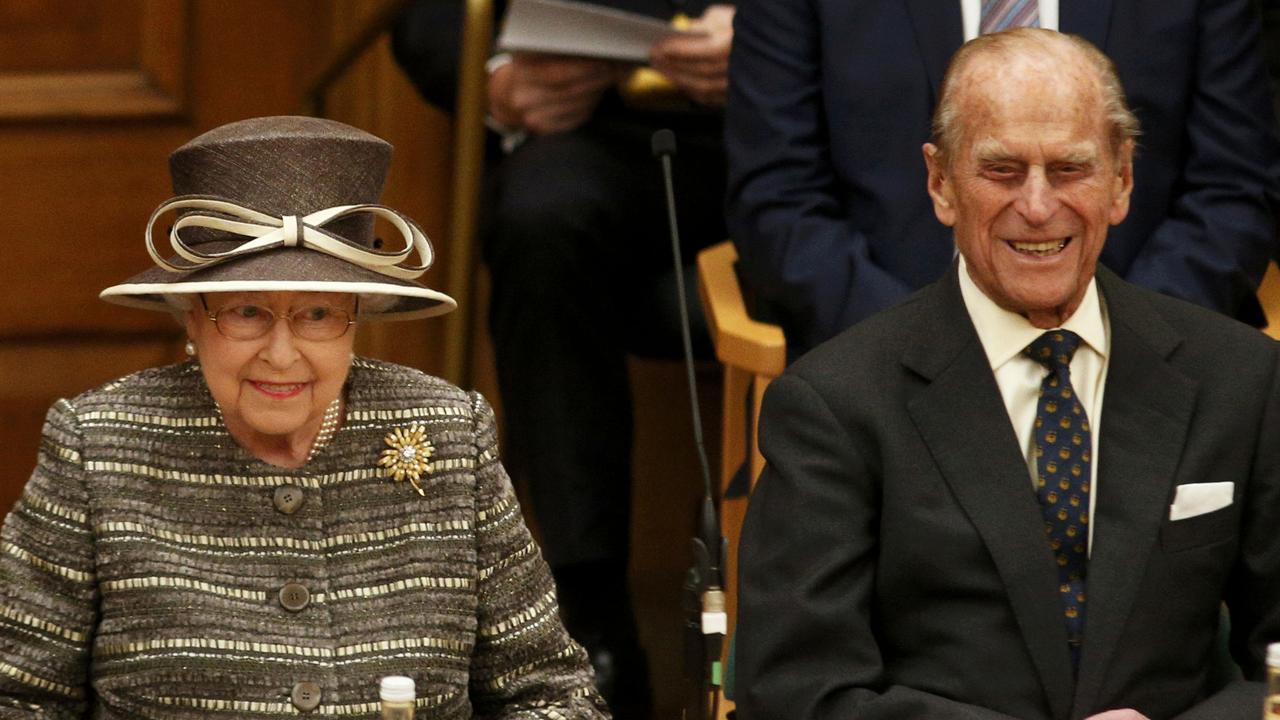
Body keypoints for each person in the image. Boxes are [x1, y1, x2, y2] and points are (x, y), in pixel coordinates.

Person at [735, 30, 1280, 720]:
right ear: (940, 183)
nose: (1037, 205)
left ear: (1122, 180)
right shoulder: (834, 404)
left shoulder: (1241, 379)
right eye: (1000, 170)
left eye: (1070, 169)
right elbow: (795, 690)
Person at [0, 116, 608, 719]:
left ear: (357, 314)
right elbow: (17, 696)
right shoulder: (100, 444)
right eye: (245, 312)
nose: (282, 354)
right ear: (191, 316)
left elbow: (552, 695)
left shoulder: (450, 430)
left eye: (317, 314)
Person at [393, 3, 734, 715]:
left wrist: (772, 39)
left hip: (782, 128)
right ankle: (590, 624)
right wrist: (492, 81)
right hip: (587, 128)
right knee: (539, 221)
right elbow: (428, 14)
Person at [725, 0, 1280, 356]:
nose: (1036, 207)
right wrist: (918, 349)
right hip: (880, 353)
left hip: (1138, 357)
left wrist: (1123, 342)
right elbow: (777, 196)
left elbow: (1233, 190)